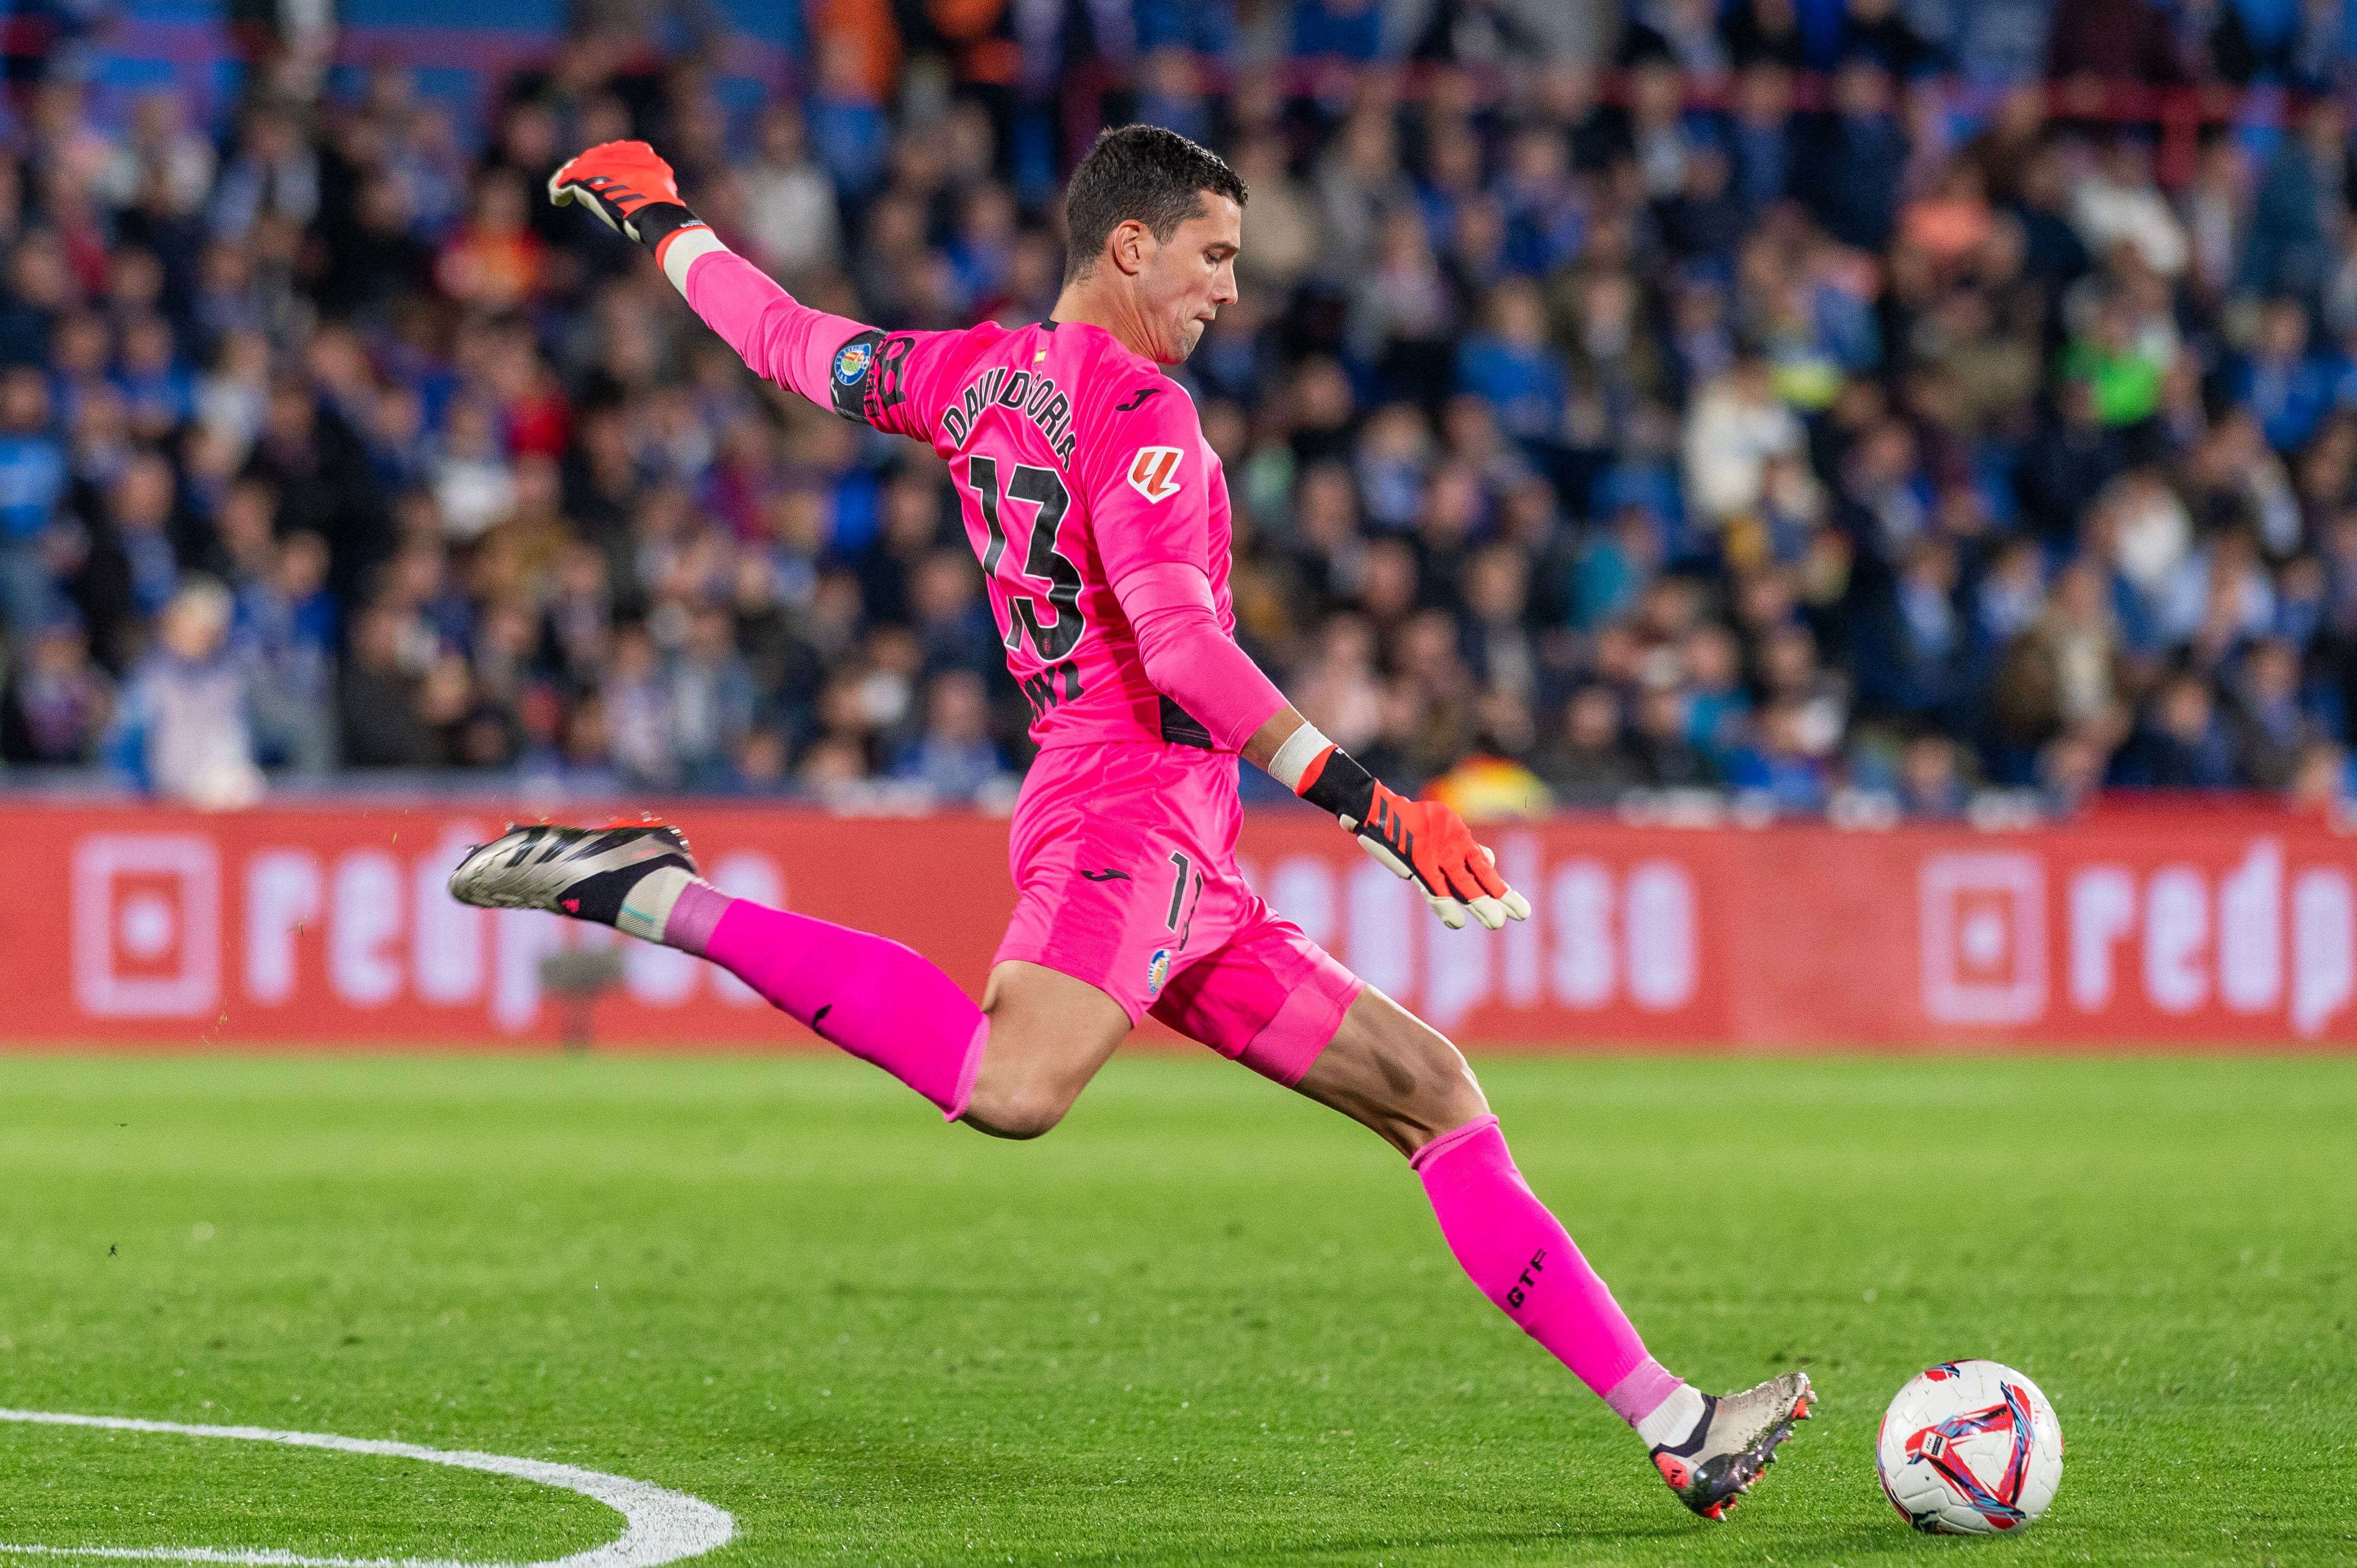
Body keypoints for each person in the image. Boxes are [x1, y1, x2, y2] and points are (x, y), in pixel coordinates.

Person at [450, 129, 1811, 1520]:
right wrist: (1375, 807)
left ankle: (1675, 1417)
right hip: (1131, 812)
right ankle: (653, 893)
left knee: (1429, 1089)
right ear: (1128, 246)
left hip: (1166, 836)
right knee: (1013, 1087)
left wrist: (669, 220)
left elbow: (788, 340)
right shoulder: (1141, 413)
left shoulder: (970, 373)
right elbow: (1180, 648)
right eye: (1212, 255)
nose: (1228, 287)